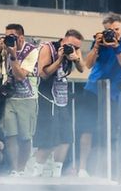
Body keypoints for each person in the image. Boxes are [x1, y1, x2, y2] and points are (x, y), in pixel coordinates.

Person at [79, 13, 121, 178]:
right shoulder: (100, 42)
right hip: (93, 89)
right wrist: (97, 46)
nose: (113, 33)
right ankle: (82, 168)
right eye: (109, 30)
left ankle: (108, 169)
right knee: (87, 128)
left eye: (116, 29)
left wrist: (116, 48)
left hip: (114, 93)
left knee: (110, 132)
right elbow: (87, 64)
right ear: (104, 30)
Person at [31, 29, 86, 177]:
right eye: (71, 45)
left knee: (66, 136)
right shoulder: (48, 48)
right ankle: (37, 170)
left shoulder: (74, 51)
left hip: (62, 98)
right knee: (48, 138)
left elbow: (82, 68)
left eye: (77, 47)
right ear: (63, 40)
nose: (73, 49)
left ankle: (57, 170)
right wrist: (60, 59)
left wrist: (75, 58)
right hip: (47, 97)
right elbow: (44, 73)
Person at [0, 23, 40, 174]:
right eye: (7, 36)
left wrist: (13, 54)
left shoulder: (32, 51)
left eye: (13, 37)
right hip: (10, 97)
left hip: (27, 98)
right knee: (10, 135)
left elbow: (20, 75)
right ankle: (14, 169)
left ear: (21, 37)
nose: (9, 40)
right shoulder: (5, 49)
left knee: (25, 137)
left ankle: (22, 169)